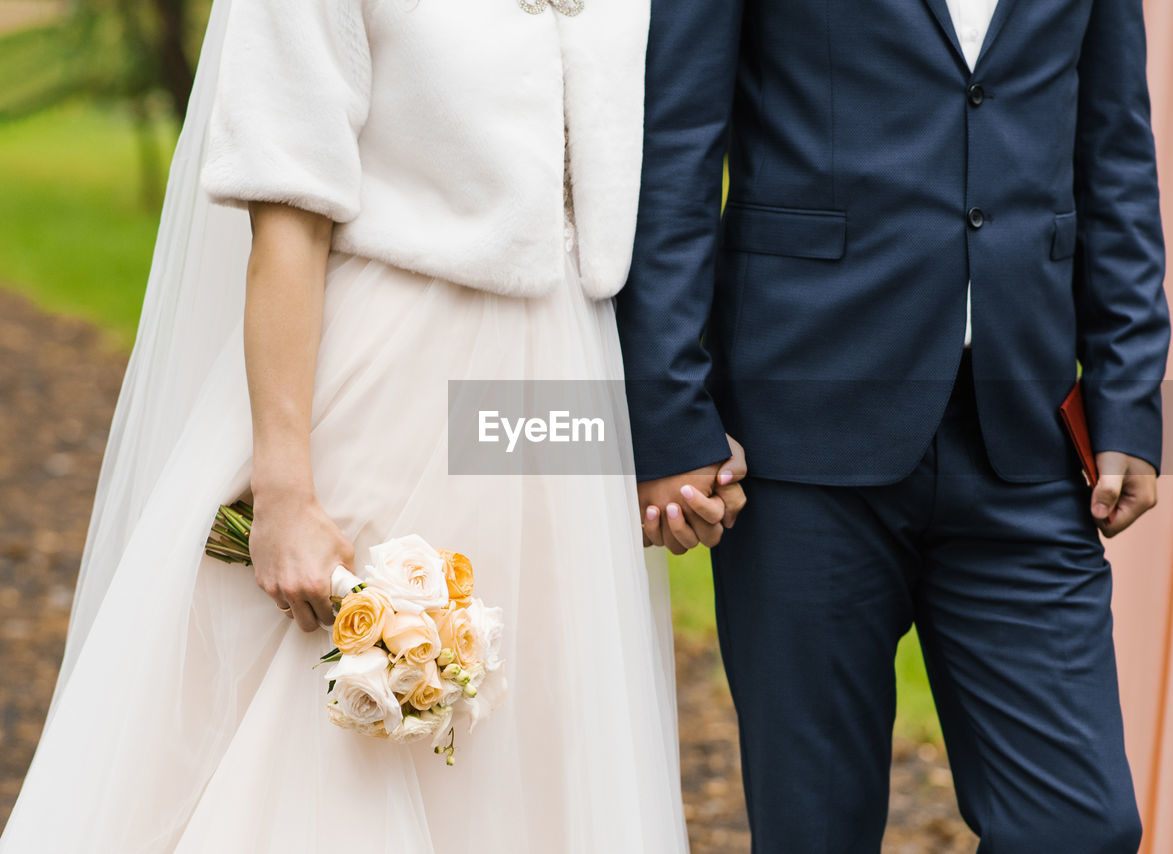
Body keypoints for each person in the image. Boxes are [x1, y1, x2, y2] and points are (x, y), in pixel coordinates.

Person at [0, 0, 707, 851]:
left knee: (529, 751)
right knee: (339, 741)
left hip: (560, 374)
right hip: (386, 388)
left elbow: (587, 239)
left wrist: (661, 446)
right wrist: (285, 490)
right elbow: (287, 224)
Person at [617, 0, 1171, 851]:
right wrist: (669, 413)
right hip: (799, 437)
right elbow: (677, 151)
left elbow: (1117, 150)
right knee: (816, 829)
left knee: (1082, 825)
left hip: (1022, 442)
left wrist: (1127, 394)